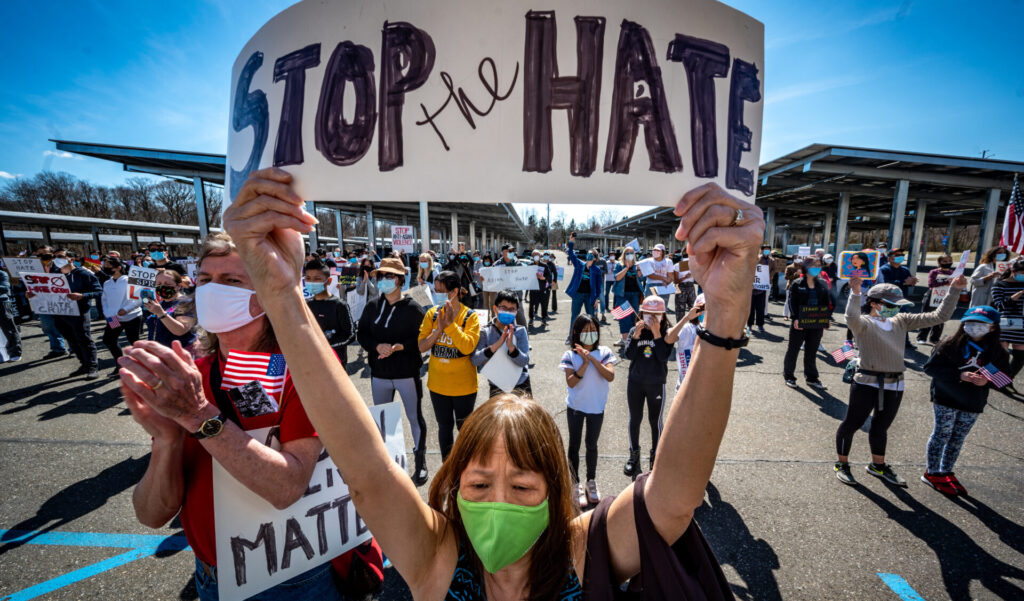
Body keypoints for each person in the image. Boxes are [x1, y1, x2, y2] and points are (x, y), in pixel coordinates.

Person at [226, 168, 761, 601]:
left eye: (524, 488)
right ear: (453, 490)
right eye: (479, 487)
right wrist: (280, 293)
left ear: (556, 493)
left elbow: (674, 494)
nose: (498, 503)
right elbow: (362, 464)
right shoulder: (435, 558)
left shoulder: (584, 553)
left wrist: (727, 311)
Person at [118, 232, 345, 600]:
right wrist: (167, 441)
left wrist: (196, 416)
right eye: (205, 279)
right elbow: (151, 514)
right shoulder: (191, 372)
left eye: (232, 280)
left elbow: (286, 488)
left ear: (269, 292)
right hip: (210, 573)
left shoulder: (305, 367)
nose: (211, 290)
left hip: (289, 577)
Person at [834, 274, 965, 486]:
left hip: (895, 383)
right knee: (852, 423)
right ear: (874, 303)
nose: (896, 308)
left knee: (881, 426)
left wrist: (954, 290)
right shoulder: (864, 323)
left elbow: (939, 316)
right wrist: (855, 293)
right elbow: (851, 318)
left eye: (898, 305)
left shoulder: (901, 321)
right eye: (892, 304)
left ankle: (878, 465)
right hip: (867, 381)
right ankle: (842, 463)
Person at [921, 305, 1009, 496]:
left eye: (981, 324)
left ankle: (946, 471)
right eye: (970, 322)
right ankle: (932, 472)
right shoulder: (949, 344)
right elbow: (930, 368)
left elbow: (1003, 380)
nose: (974, 327)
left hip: (973, 402)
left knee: (957, 437)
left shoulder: (997, 352)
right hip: (945, 397)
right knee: (941, 434)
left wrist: (987, 381)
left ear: (993, 327)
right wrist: (958, 375)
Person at [358, 256, 430, 485]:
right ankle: (388, 463)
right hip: (379, 374)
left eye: (389, 276)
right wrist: (375, 345)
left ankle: (420, 463)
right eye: (381, 276)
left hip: (406, 373)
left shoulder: (413, 308)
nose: (384, 280)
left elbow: (422, 338)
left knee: (414, 417)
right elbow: (362, 334)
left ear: (400, 280)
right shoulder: (372, 307)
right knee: (382, 420)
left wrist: (402, 346)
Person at [418, 270, 481, 460]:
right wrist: (439, 328)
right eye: (435, 289)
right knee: (444, 427)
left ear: (453, 292)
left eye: (440, 290)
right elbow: (422, 346)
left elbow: (468, 347)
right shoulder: (432, 313)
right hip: (438, 386)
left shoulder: (470, 316)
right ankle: (447, 464)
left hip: (464, 387)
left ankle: (464, 464)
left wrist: (450, 326)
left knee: (464, 429)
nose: (436, 293)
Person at [560, 314, 616, 509]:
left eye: (592, 330)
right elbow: (571, 382)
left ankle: (591, 481)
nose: (589, 334)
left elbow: (610, 376)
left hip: (596, 407)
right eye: (585, 331)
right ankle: (575, 484)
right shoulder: (570, 356)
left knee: (591, 444)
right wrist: (583, 364)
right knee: (574, 445)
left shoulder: (605, 352)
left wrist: (591, 359)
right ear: (576, 333)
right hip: (575, 407)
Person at [623, 295, 675, 479]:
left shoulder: (667, 332)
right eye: (647, 313)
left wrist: (657, 334)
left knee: (656, 421)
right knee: (634, 419)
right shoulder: (634, 330)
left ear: (662, 314)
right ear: (642, 313)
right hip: (635, 382)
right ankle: (633, 455)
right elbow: (628, 355)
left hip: (656, 384)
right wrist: (635, 337)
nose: (651, 318)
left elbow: (663, 357)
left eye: (656, 314)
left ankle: (656, 457)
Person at [32, 252, 102, 378]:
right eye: (55, 257)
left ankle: (92, 367)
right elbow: (47, 292)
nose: (57, 260)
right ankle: (83, 364)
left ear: (72, 259)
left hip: (79, 312)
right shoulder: (54, 275)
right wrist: (34, 294)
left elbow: (98, 291)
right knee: (71, 340)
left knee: (84, 339)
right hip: (61, 313)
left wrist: (82, 296)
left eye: (60, 257)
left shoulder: (84, 274)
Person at [783, 258, 832, 389]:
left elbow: (826, 303)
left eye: (818, 265)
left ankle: (812, 378)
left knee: (812, 351)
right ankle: (789, 376)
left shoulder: (822, 283)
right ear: (806, 267)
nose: (817, 268)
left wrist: (827, 319)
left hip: (816, 323)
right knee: (793, 350)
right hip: (800, 323)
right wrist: (795, 318)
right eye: (813, 265)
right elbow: (792, 302)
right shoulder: (797, 283)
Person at [472, 289, 531, 398]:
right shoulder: (485, 331)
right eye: (503, 308)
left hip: (520, 385)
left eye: (512, 309)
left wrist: (512, 348)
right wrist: (496, 346)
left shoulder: (520, 331)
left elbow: (525, 361)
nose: (508, 312)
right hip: (497, 386)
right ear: (495, 309)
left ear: (516, 311)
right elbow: (475, 360)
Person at [304, 259, 355, 366]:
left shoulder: (340, 305)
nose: (311, 282)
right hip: (311, 362)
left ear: (329, 281)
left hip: (335, 363)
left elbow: (350, 335)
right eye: (308, 278)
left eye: (317, 279)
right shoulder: (306, 305)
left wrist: (326, 346)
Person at [100, 256, 143, 374]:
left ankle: (141, 365)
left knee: (134, 341)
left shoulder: (130, 280)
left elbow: (137, 298)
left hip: (131, 317)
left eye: (109, 265)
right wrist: (107, 313)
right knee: (109, 339)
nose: (106, 267)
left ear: (118, 267)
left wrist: (126, 309)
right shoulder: (107, 283)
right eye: (105, 265)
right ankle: (120, 364)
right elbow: (104, 300)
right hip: (113, 317)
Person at [144, 269, 198, 352]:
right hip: (163, 351)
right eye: (158, 284)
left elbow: (181, 330)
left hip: (182, 352)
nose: (162, 287)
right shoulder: (161, 303)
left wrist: (160, 313)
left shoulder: (186, 303)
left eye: (167, 284)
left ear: (179, 286)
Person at [32, 246, 69, 357]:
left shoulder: (61, 265)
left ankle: (75, 348)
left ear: (52, 254)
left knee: (68, 325)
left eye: (45, 254)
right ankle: (58, 349)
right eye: (39, 254)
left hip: (61, 299)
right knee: (48, 326)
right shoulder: (33, 267)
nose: (42, 256)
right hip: (42, 300)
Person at [564, 233, 602, 344]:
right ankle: (571, 337)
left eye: (591, 255)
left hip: (590, 296)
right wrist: (571, 241)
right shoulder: (579, 264)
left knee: (591, 318)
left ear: (595, 258)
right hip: (578, 295)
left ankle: (592, 338)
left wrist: (597, 298)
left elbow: (599, 285)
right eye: (588, 254)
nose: (588, 256)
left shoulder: (596, 270)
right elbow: (570, 254)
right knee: (574, 317)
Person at [878, 247, 919, 350]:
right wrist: (904, 282)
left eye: (902, 255)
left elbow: (908, 282)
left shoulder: (905, 270)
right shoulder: (884, 269)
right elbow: (885, 284)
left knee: (903, 321)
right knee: (887, 322)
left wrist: (912, 281)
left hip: (902, 300)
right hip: (888, 300)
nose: (900, 257)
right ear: (889, 258)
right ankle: (884, 343)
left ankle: (905, 342)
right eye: (896, 255)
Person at [990, 260, 1024, 379]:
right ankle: (997, 380)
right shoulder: (1000, 285)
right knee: (1002, 356)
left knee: (1020, 357)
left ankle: (1007, 379)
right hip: (1005, 324)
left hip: (1022, 326)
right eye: (1022, 273)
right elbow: (999, 305)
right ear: (1013, 271)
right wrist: (1014, 297)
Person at [916, 254, 955, 344]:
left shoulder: (953, 273)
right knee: (927, 315)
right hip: (932, 296)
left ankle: (935, 338)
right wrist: (945, 282)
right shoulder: (934, 272)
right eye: (944, 261)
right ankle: (922, 337)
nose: (948, 263)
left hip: (945, 297)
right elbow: (931, 284)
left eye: (949, 261)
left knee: (941, 317)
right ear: (939, 262)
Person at [612, 246, 646, 347]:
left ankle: (631, 338)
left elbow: (642, 279)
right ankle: (624, 339)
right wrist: (626, 268)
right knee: (623, 317)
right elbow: (617, 277)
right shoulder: (619, 265)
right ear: (624, 254)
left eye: (631, 252)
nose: (630, 254)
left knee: (633, 317)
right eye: (627, 252)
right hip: (622, 294)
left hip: (634, 294)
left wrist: (639, 271)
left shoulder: (637, 265)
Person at [748, 244, 772, 332]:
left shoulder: (770, 261)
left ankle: (760, 325)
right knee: (750, 308)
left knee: (761, 308)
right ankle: (749, 324)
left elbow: (773, 270)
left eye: (768, 250)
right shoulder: (752, 261)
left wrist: (768, 278)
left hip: (762, 289)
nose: (767, 251)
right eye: (765, 249)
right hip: (752, 289)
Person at [0, 267, 21, 361]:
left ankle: (15, 352)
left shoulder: (2, 274)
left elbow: (5, 288)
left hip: (2, 303)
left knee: (9, 328)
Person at [673, 252, 696, 320]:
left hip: (685, 286)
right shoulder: (678, 265)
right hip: (685, 286)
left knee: (681, 310)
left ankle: (680, 328)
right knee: (693, 308)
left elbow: (675, 281)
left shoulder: (678, 265)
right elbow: (676, 281)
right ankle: (693, 327)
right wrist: (685, 277)